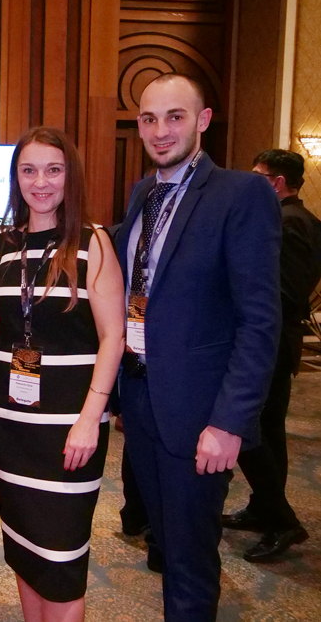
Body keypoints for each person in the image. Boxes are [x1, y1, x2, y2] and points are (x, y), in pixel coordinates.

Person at [116, 73, 280, 621]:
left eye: (175, 117)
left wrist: (230, 422)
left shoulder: (242, 194)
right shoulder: (144, 193)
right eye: (149, 119)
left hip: (199, 414)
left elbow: (260, 321)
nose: (160, 131)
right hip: (142, 401)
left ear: (203, 120)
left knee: (189, 560)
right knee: (166, 543)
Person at [0, 127, 125, 622]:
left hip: (67, 430)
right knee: (23, 548)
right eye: (29, 170)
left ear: (69, 176)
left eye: (53, 170)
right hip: (9, 424)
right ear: (16, 178)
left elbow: (113, 337)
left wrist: (90, 419)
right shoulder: (3, 242)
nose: (41, 182)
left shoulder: (93, 242)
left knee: (61, 560)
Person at [222, 149, 321, 561]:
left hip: (271, 344)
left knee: (250, 430)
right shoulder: (294, 218)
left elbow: (285, 292)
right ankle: (265, 508)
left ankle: (283, 521)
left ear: (277, 182)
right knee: (267, 430)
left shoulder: (291, 222)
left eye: (258, 175)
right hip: (274, 342)